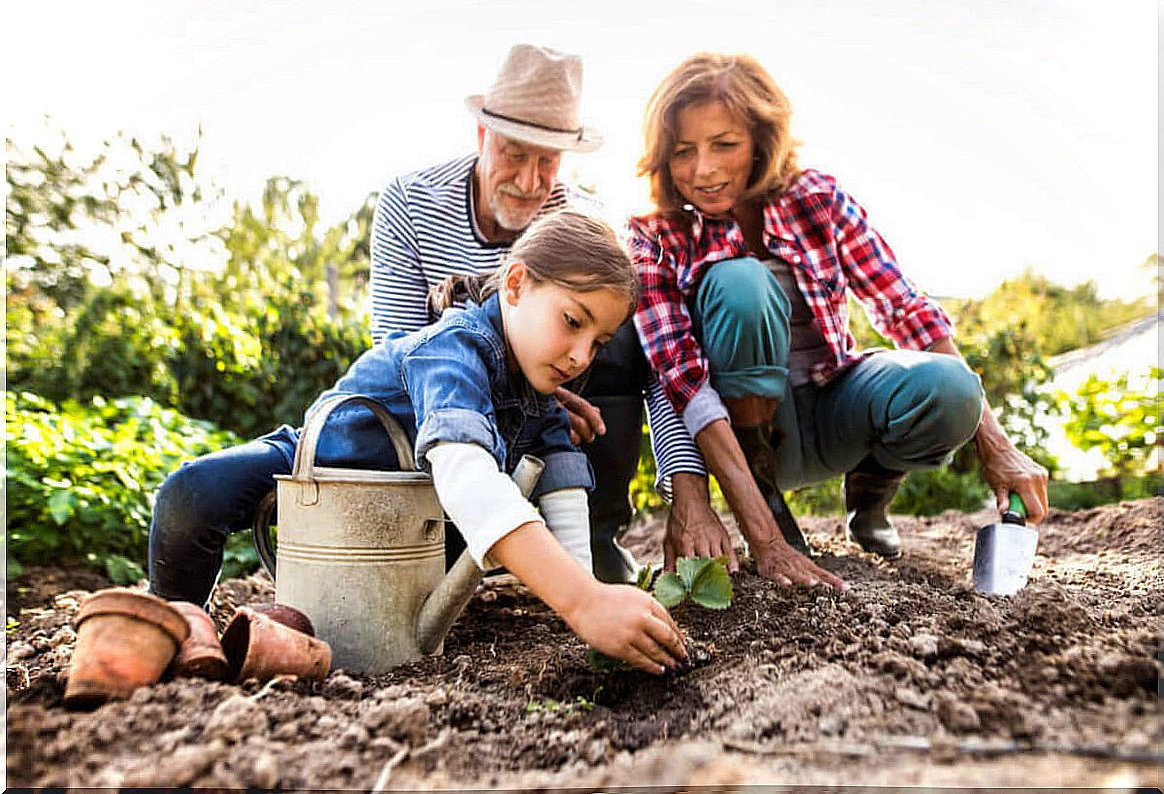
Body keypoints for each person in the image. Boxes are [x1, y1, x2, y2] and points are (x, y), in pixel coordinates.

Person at [151, 210, 688, 674]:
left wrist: (584, 594)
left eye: (598, 342)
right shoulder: (454, 349)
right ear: (517, 284)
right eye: (572, 322)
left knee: (460, 540)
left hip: (406, 526)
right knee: (192, 493)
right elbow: (466, 474)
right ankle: (175, 626)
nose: (580, 356)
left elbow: (564, 492)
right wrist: (584, 602)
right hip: (321, 465)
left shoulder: (541, 390)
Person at [627, 52, 1050, 589]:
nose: (703, 170)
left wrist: (997, 445)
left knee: (953, 391)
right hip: (747, 440)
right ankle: (773, 508)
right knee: (741, 285)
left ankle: (869, 498)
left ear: (761, 139)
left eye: (724, 145)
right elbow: (681, 383)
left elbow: (905, 308)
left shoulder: (817, 198)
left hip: (835, 409)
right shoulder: (655, 235)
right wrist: (767, 542)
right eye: (684, 152)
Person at [371, 43, 659, 582]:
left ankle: (594, 536)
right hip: (445, 404)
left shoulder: (577, 220)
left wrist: (680, 478)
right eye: (514, 154)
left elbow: (644, 357)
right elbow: (400, 346)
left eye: (547, 161)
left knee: (614, 331)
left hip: (548, 395)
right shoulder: (410, 201)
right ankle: (448, 536)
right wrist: (519, 395)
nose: (529, 182)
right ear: (482, 137)